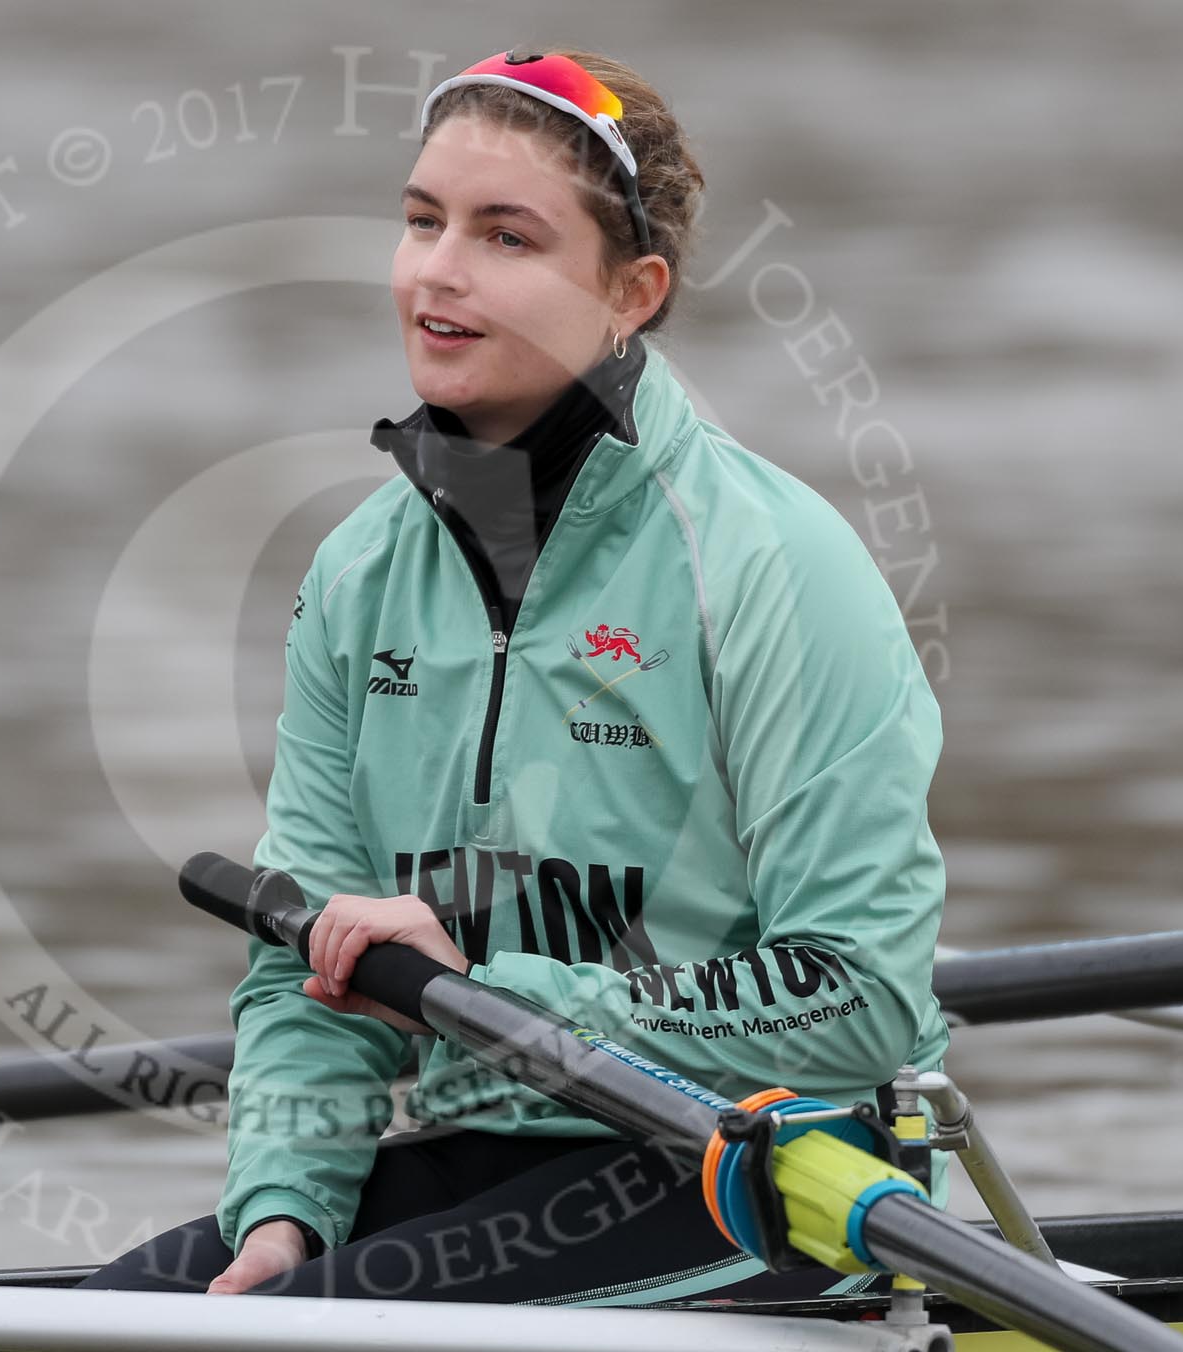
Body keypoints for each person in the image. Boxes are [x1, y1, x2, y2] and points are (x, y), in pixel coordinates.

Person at [80, 44, 951, 1306]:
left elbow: (862, 997)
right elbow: (311, 963)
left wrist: (490, 988)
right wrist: (280, 1208)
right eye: (424, 221)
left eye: (507, 237)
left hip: (755, 1173)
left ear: (631, 292)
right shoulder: (359, 572)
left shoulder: (774, 566)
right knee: (99, 1322)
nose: (439, 269)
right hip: (479, 1147)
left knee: (312, 1333)